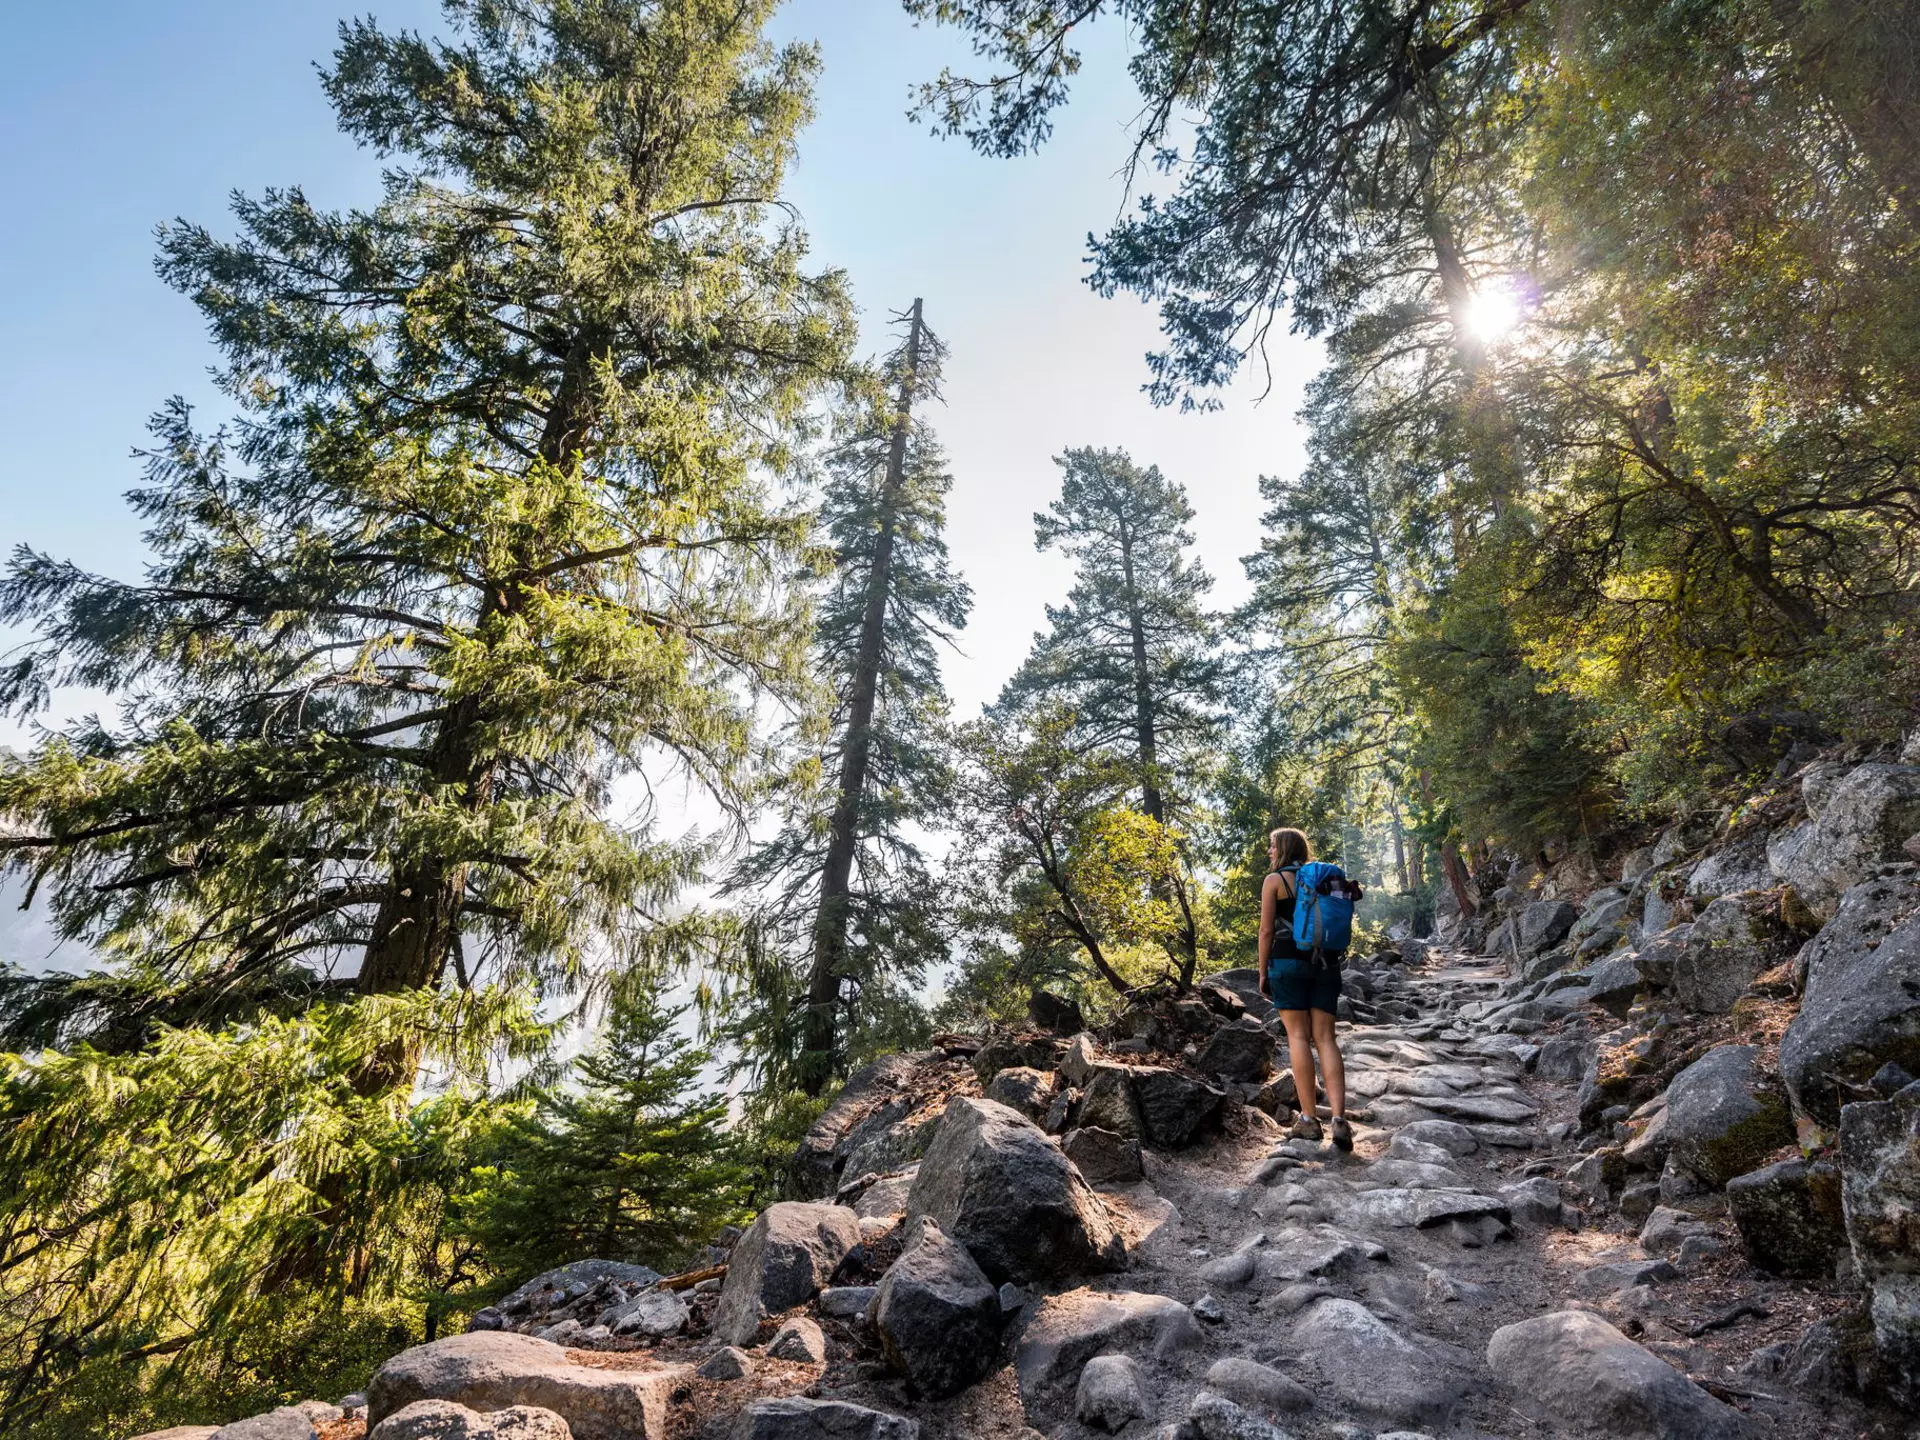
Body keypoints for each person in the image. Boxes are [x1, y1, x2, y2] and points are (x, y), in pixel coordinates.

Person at [1255, 827, 1352, 1151]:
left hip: (1286, 966)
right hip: (1326, 964)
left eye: (1271, 846)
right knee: (1326, 1038)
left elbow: (1267, 930)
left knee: (1297, 1036)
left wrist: (1262, 971)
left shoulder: (1275, 882)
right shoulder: (1322, 880)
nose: (1269, 852)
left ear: (1282, 848)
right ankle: (1339, 1118)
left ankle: (1309, 1120)